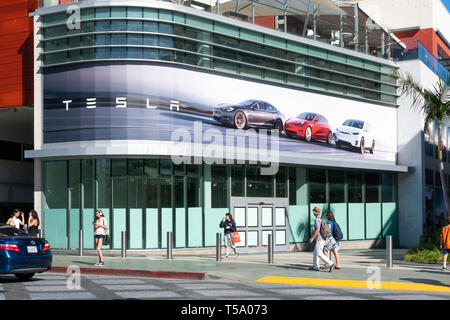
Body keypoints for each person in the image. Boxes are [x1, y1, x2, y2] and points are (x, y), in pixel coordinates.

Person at [308, 206, 334, 272]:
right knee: (315, 253)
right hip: (323, 238)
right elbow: (326, 229)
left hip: (319, 239)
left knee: (319, 253)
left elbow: (318, 229)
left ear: (315, 212)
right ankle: (315, 266)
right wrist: (326, 239)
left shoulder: (317, 219)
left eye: (313, 211)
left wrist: (312, 238)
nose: (313, 213)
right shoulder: (322, 218)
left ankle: (330, 263)